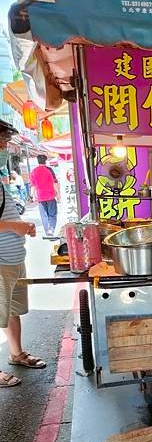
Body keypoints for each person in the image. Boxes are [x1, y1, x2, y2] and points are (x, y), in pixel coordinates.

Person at [0, 181, 46, 388]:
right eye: (2, 145)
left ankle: (17, 354)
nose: (5, 148)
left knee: (12, 311)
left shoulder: (1, 185)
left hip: (14, 261)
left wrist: (24, 226)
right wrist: (14, 226)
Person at [30, 155, 60, 237]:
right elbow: (55, 183)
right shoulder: (49, 170)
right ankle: (51, 229)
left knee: (44, 214)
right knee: (52, 213)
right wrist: (58, 195)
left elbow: (33, 185)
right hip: (50, 195)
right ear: (45, 161)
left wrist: (32, 196)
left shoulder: (34, 171)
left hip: (40, 196)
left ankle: (47, 231)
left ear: (38, 161)